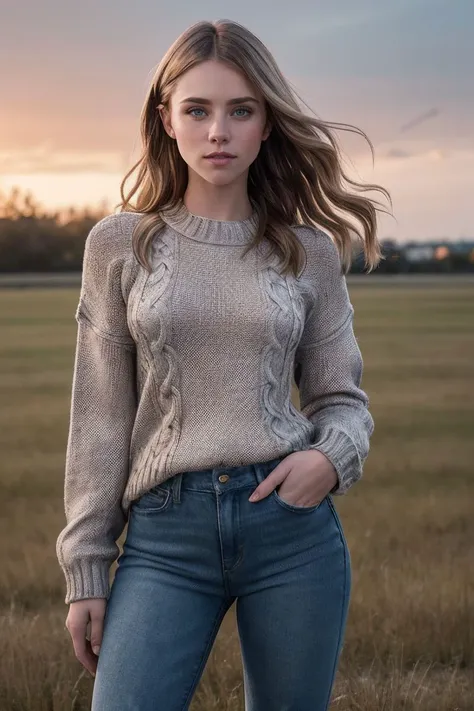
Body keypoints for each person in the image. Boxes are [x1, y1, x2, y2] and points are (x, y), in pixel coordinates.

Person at [56, 18, 391, 711]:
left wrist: (330, 457)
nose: (219, 131)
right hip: (165, 535)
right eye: (198, 110)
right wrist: (87, 568)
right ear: (166, 120)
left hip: (291, 529)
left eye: (241, 110)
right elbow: (98, 416)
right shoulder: (119, 246)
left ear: (266, 124)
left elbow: (342, 400)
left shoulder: (309, 251)